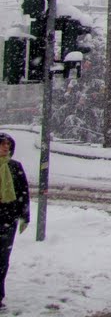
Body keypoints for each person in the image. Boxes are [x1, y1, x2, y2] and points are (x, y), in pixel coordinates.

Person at [0, 133, 30, 311]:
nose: (6, 147)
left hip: (7, 219)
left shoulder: (14, 167)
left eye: (8, 145)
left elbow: (23, 193)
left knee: (2, 259)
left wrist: (24, 216)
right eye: (3, 144)